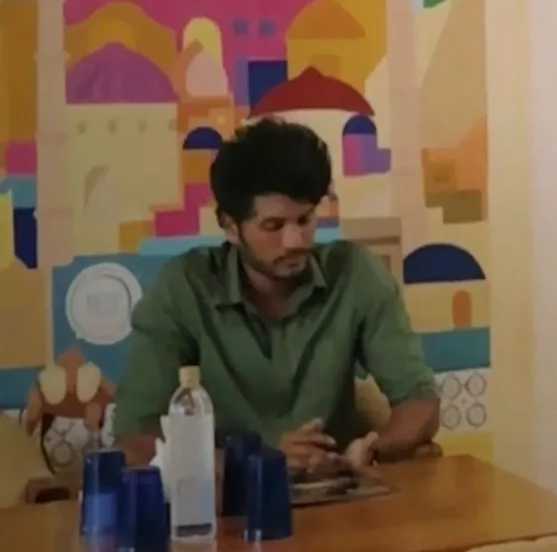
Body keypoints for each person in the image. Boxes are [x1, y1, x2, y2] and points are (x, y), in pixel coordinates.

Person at [112, 117, 441, 477]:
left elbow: (420, 401)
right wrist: (258, 463)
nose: (295, 241)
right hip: (229, 500)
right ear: (231, 227)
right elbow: (135, 439)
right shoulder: (184, 287)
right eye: (273, 226)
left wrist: (370, 451)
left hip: (340, 492)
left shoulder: (355, 273)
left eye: (305, 220)